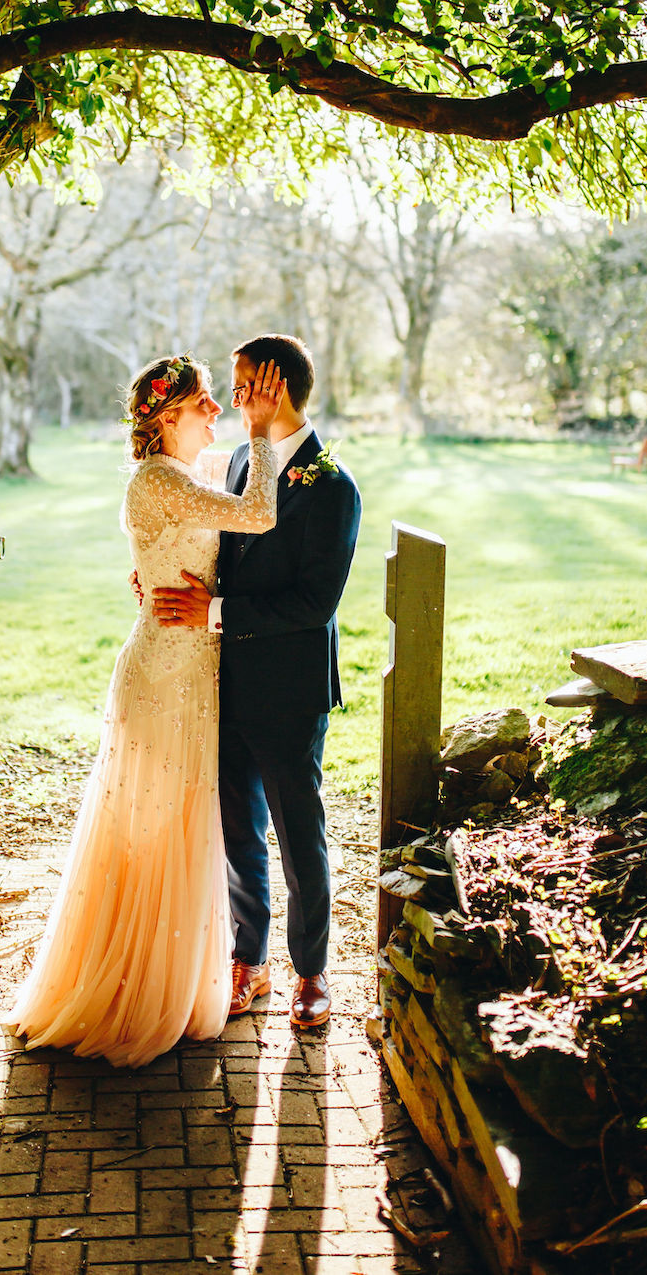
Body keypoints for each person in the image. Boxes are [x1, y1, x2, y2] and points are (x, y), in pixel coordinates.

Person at [8, 352, 286, 1068]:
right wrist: (259, 431)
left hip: (187, 668)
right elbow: (255, 512)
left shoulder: (174, 476)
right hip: (165, 679)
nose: (216, 413)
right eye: (203, 405)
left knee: (178, 830)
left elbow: (208, 506)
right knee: (156, 833)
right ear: (167, 419)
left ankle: (165, 974)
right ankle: (136, 989)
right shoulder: (159, 480)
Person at [153, 333, 361, 1029]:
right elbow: (218, 549)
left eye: (244, 384)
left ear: (278, 386)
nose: (235, 398)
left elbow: (314, 605)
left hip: (290, 690)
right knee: (239, 830)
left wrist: (212, 610)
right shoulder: (245, 458)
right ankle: (251, 961)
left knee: (300, 837)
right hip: (223, 682)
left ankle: (311, 973)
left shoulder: (332, 486)